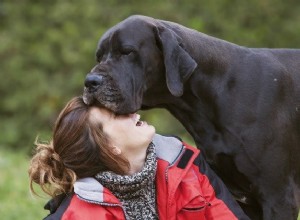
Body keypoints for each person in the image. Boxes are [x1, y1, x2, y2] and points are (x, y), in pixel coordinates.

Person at [29, 96, 249, 220]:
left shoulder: (186, 164)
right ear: (109, 146)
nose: (133, 111)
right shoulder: (75, 216)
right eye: (117, 114)